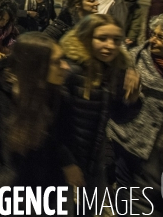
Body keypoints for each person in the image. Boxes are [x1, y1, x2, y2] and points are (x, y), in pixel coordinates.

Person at [0, 32, 73, 193]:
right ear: (36, 66)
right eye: (56, 62)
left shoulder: (58, 96)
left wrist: (67, 162)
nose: (66, 66)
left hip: (51, 192)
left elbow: (60, 137)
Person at [108, 13, 163, 216]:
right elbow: (114, 108)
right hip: (129, 147)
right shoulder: (132, 60)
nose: (152, 39)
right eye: (153, 34)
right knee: (126, 201)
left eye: (161, 37)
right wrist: (130, 100)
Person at [59, 14, 141, 204]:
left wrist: (132, 99)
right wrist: (67, 162)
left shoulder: (115, 70)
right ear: (87, 37)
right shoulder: (69, 69)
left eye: (116, 40)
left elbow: (118, 117)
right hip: (64, 160)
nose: (110, 45)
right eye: (102, 38)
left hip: (93, 160)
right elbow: (52, 122)